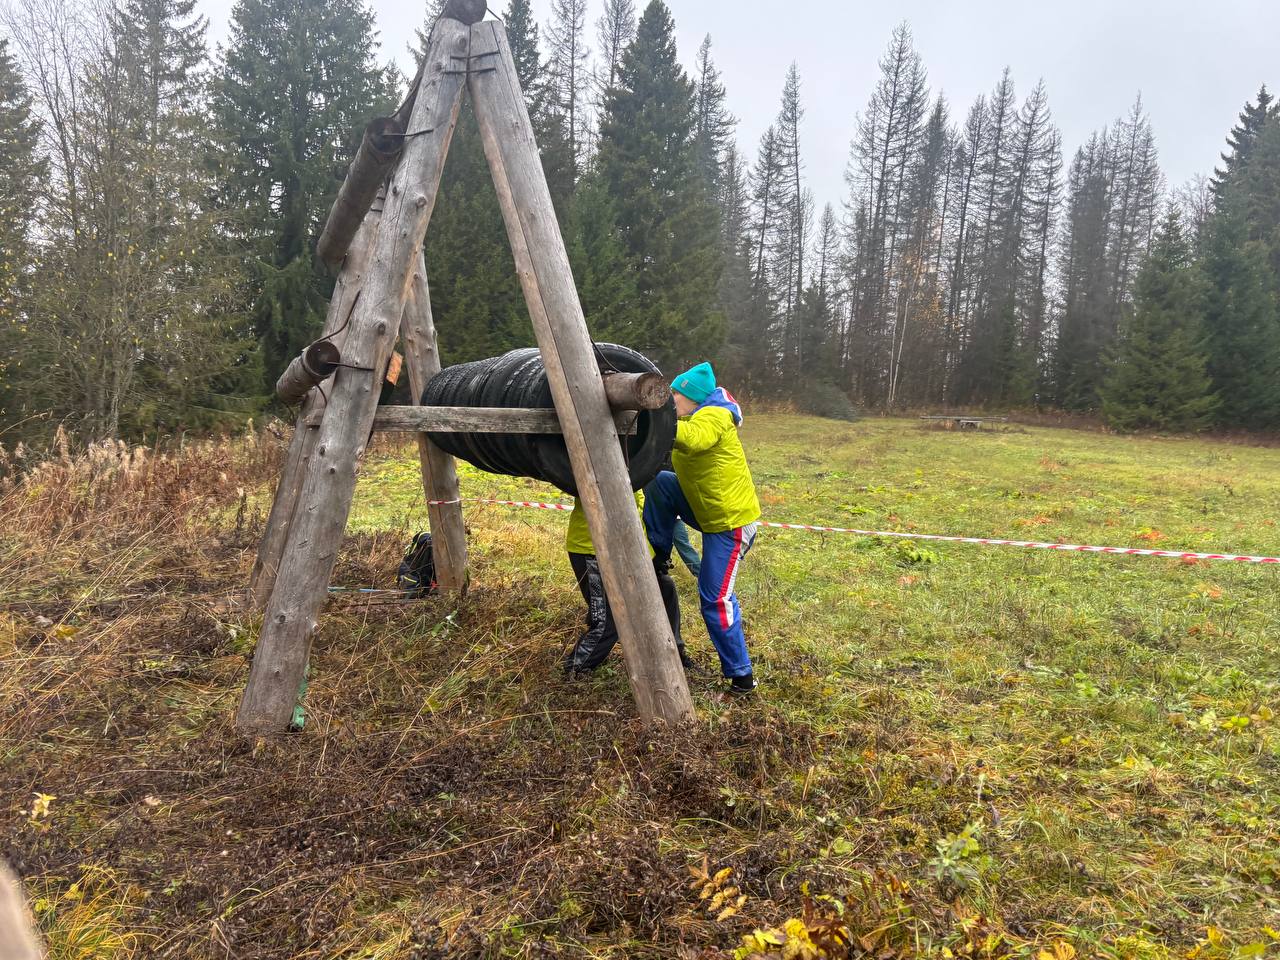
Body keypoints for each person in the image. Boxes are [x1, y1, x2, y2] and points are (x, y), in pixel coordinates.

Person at [643, 362, 761, 694]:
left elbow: (694, 440)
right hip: (705, 508)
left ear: (691, 396)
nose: (671, 401)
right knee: (661, 483)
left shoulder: (714, 416)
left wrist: (657, 422)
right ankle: (659, 557)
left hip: (729, 524)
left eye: (675, 395)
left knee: (715, 599)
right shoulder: (696, 414)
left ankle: (742, 677)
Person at [562, 492, 696, 676]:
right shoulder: (595, 466)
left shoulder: (637, 468)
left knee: (665, 588)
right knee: (611, 619)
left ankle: (675, 652)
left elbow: (637, 514)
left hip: (630, 550)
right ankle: (576, 666)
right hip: (592, 550)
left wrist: (653, 558)